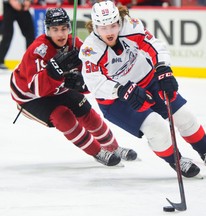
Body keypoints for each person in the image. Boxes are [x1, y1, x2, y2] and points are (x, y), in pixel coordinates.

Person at [79, 0, 206, 178]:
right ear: (96, 26)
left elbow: (155, 46)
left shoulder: (131, 26)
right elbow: (94, 83)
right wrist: (121, 90)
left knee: (184, 115)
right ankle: (177, 161)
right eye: (104, 28)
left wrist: (163, 68)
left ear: (119, 22)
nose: (110, 32)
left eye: (113, 25)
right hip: (116, 99)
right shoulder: (90, 49)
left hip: (148, 80)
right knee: (156, 127)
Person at [10, 7, 138, 167]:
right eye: (55, 29)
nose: (61, 34)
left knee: (85, 109)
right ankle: (97, 152)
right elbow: (38, 89)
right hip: (29, 97)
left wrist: (81, 83)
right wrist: (55, 71)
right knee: (62, 116)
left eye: (64, 28)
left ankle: (114, 147)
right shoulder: (38, 50)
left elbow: (93, 76)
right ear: (47, 30)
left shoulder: (75, 45)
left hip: (57, 89)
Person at [0, 0, 35, 70]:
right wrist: (12, 1)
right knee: (7, 35)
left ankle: (30, 60)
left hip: (23, 5)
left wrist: (28, 1)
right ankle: (0, 60)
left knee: (30, 34)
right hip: (8, 5)